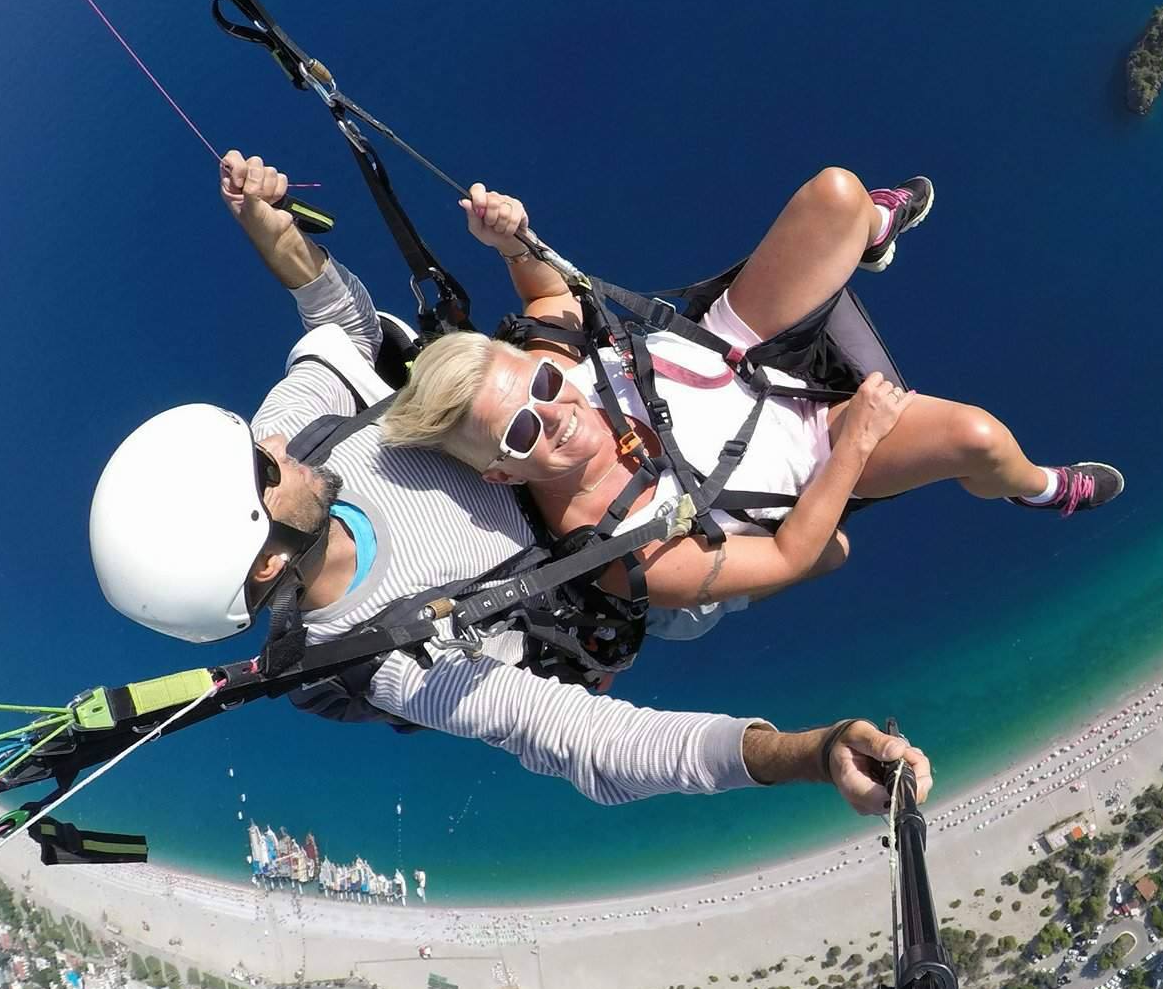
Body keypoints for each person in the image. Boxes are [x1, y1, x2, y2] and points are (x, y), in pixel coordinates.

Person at [85, 149, 931, 817]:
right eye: (260, 471)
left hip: (564, 428)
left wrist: (266, 227)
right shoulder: (403, 659)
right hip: (627, 559)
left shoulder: (298, 434)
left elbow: (337, 321)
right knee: (826, 550)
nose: (267, 440)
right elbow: (598, 746)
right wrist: (810, 754)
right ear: (266, 565)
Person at [377, 168, 1125, 633]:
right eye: (522, 435)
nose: (558, 411)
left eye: (541, 384)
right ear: (505, 474)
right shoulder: (617, 545)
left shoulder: (540, 377)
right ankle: (1037, 491)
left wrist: (510, 240)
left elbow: (548, 297)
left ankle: (870, 229)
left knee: (836, 194)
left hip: (736, 351)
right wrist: (859, 439)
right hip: (810, 451)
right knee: (981, 439)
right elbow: (794, 553)